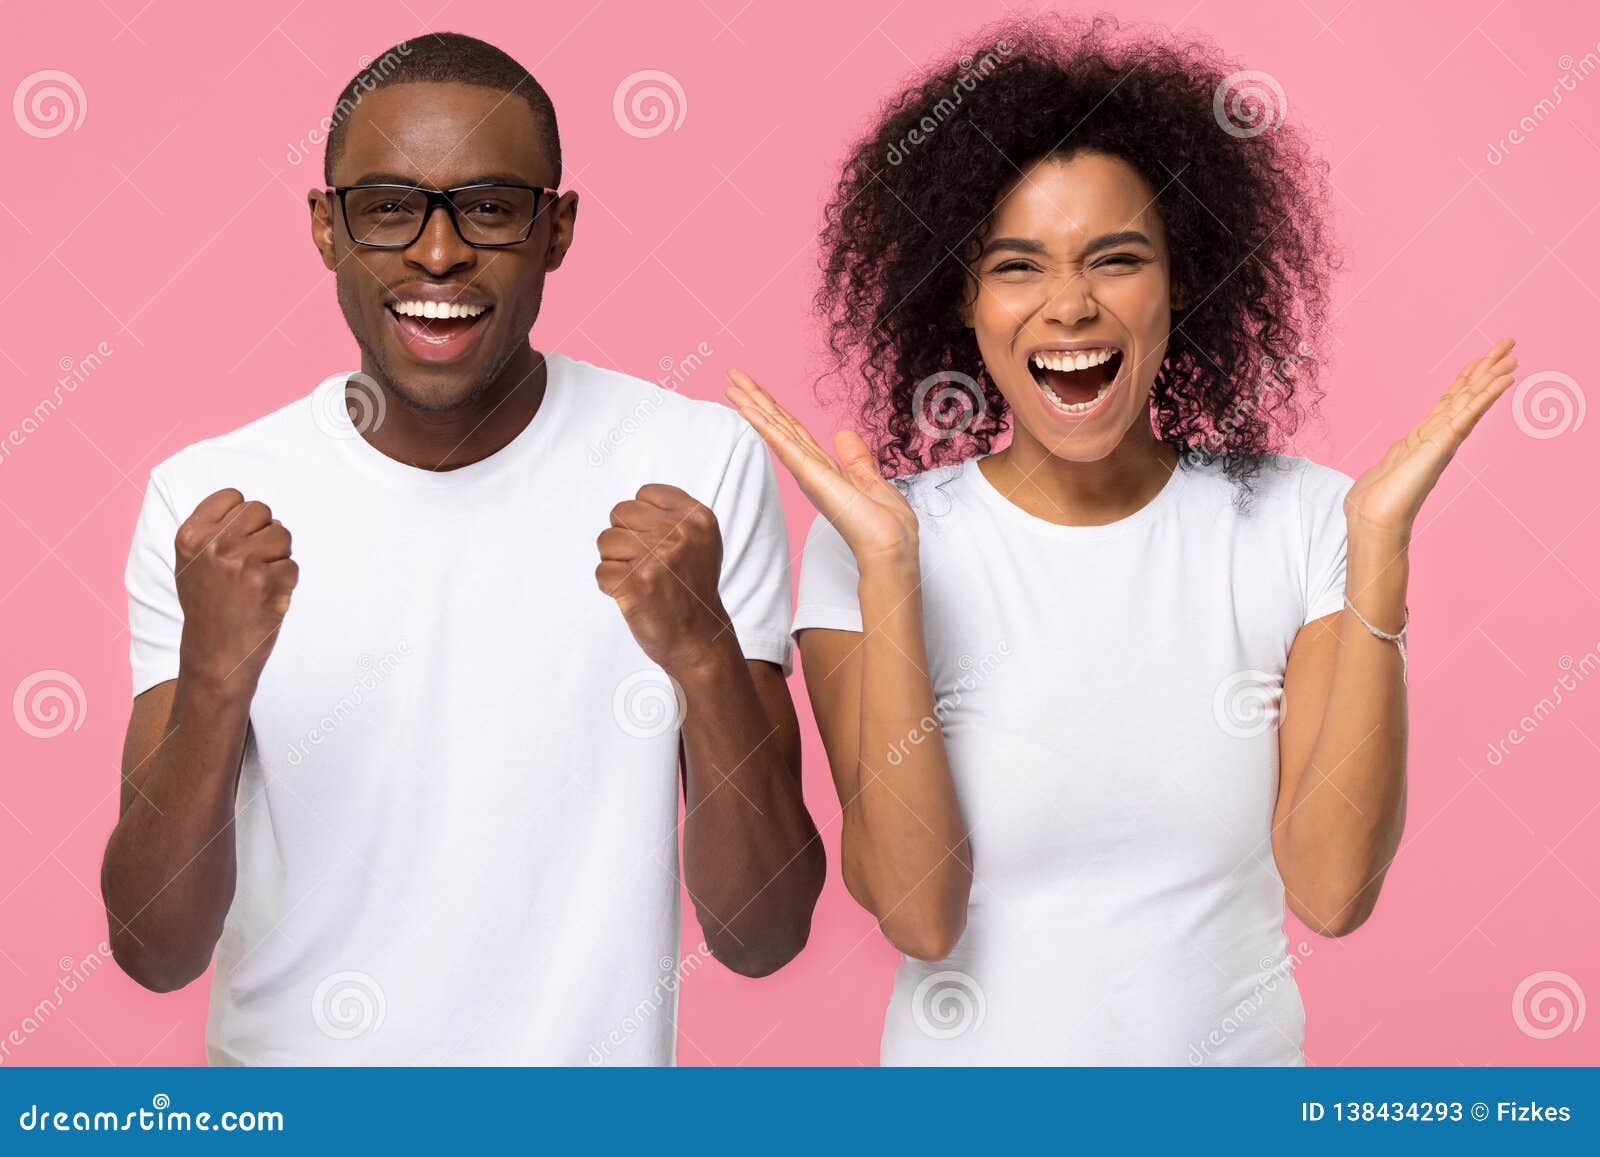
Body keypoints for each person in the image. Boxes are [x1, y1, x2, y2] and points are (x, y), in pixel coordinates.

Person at [725, 14, 1518, 1065]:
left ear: (1180, 279)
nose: (1069, 306)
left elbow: (1329, 891)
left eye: (1116, 259)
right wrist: (887, 571)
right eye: (1017, 267)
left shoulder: (1299, 524)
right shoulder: (874, 541)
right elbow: (917, 912)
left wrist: (1376, 549)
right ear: (961, 297)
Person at [102, 32, 824, 1066]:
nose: (438, 255)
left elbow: (762, 932)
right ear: (324, 226)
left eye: (487, 206)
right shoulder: (213, 504)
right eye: (389, 206)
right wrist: (215, 681)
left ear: (557, 227)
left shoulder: (694, 466)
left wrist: (705, 655)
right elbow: (153, 949)